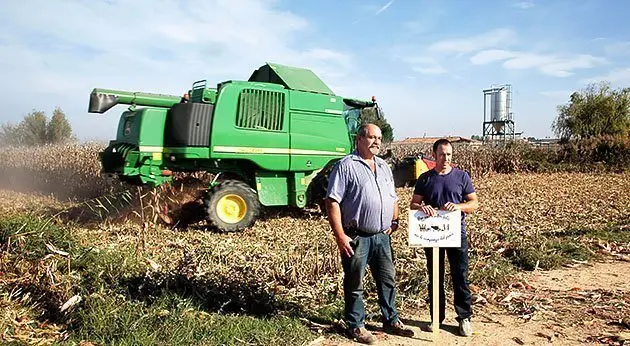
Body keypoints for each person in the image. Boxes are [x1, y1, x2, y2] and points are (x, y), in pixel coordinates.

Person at [326, 123, 414, 344]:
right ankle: (356, 325)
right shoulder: (345, 166)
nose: (377, 142)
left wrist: (395, 221)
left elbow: (393, 197)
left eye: (379, 138)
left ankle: (390, 319)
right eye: (372, 137)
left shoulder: (384, 166)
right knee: (355, 283)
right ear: (359, 139)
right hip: (357, 236)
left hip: (382, 237)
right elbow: (332, 201)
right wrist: (340, 236)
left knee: (387, 280)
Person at [409, 138, 479, 337]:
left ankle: (464, 318)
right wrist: (422, 207)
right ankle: (436, 318)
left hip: (457, 234)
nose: (446, 158)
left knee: (460, 276)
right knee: (435, 277)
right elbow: (413, 204)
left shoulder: (461, 176)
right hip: (432, 236)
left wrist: (458, 206)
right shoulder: (425, 178)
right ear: (434, 155)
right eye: (442, 154)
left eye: (448, 154)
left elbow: (473, 203)